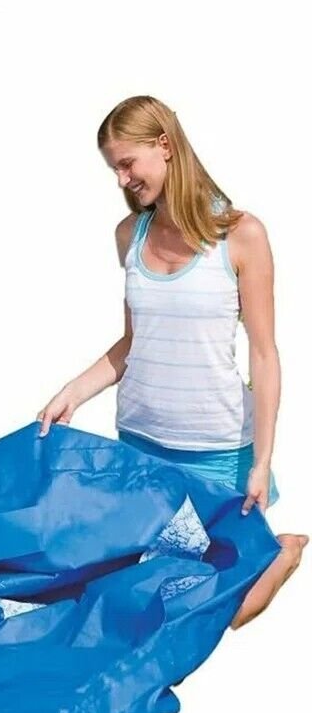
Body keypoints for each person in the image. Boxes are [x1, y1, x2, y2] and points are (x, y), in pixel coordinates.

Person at [37, 95, 306, 629]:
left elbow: (264, 353)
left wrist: (262, 461)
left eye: (126, 163)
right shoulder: (129, 235)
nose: (121, 179)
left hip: (217, 453)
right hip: (141, 446)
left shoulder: (241, 236)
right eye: (113, 169)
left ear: (164, 145)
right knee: (135, 603)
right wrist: (72, 392)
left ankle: (286, 551)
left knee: (218, 613)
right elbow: (133, 342)